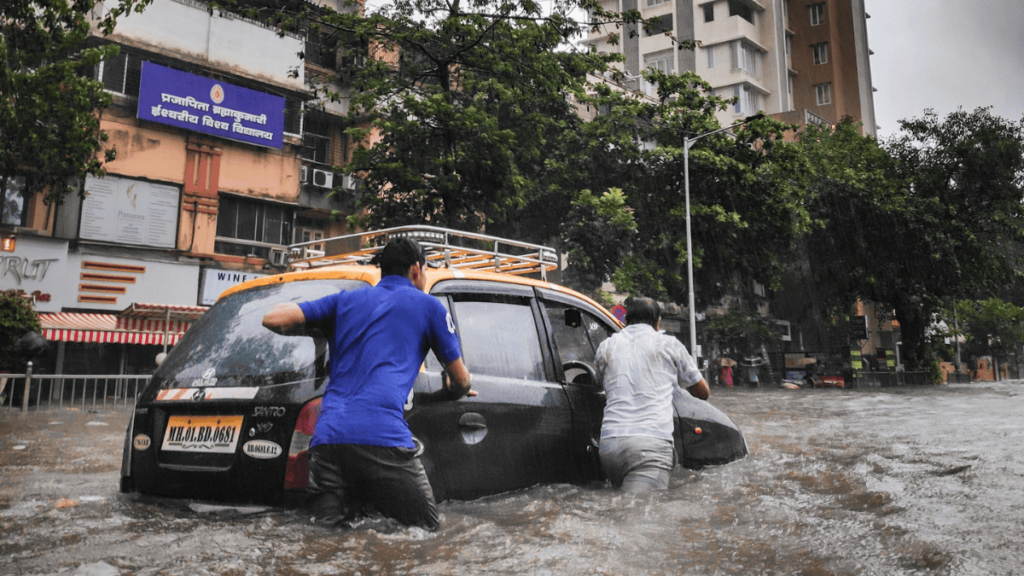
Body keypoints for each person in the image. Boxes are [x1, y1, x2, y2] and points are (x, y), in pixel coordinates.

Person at [262, 237, 474, 531]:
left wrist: (319, 325)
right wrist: (454, 390)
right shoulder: (430, 307)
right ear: (416, 269)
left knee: (324, 537)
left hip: (328, 440)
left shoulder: (344, 301)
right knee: (426, 532)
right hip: (383, 437)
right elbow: (461, 380)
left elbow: (273, 319)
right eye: (426, 270)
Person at [595, 297, 710, 492]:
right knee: (640, 516)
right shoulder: (669, 345)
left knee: (619, 509)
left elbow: (600, 384)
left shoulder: (606, 346)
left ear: (626, 320)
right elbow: (702, 392)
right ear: (657, 322)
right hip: (649, 448)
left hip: (609, 446)